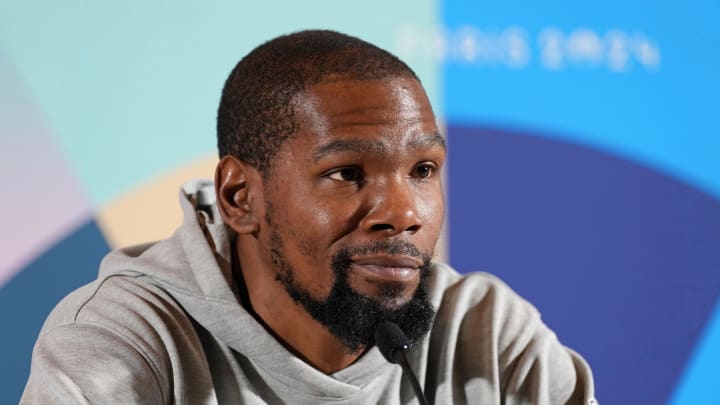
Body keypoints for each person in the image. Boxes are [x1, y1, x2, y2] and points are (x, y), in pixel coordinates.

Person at [21, 30, 597, 404]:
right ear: (240, 197)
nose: (403, 214)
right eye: (347, 173)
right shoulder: (123, 340)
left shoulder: (486, 332)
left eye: (423, 170)